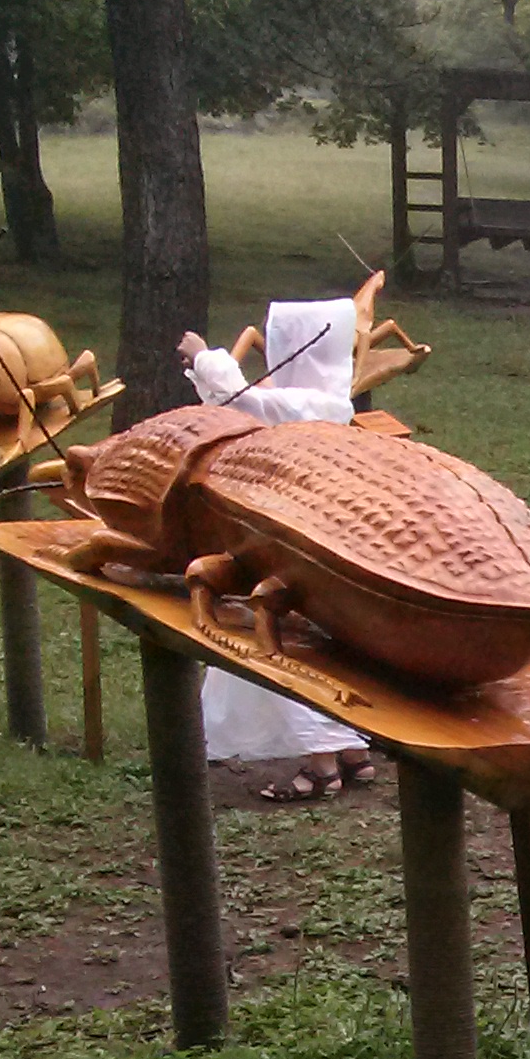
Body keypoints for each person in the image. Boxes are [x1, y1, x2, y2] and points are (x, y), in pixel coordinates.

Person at [174, 299, 377, 804]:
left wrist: (204, 356)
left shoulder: (318, 405)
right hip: (319, 537)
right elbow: (244, 401)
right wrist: (206, 373)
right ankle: (353, 753)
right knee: (324, 641)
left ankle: (322, 764)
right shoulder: (322, 397)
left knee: (287, 642)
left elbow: (240, 397)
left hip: (299, 542)